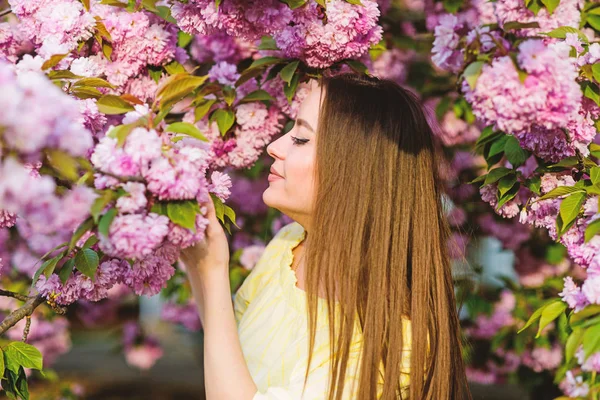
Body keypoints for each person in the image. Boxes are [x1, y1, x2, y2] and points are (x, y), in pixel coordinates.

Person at [179, 73, 472, 400]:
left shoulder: (393, 342)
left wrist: (213, 271)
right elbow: (229, 352)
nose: (274, 147)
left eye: (301, 139)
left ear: (355, 169)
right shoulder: (289, 245)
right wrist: (198, 261)